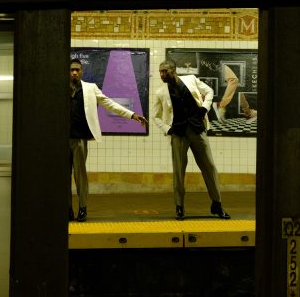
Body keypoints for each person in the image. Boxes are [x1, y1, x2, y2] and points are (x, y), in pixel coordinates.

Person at [70, 58, 148, 222]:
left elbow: (109, 103)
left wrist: (132, 115)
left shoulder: (90, 88)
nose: (75, 72)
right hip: (61, 139)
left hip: (80, 139)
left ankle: (82, 208)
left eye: (77, 69)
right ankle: (67, 209)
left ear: (82, 71)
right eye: (72, 70)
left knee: (80, 175)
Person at [152, 59, 230, 220]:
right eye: (160, 72)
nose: (162, 75)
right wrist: (167, 129)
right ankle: (179, 207)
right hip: (178, 134)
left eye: (165, 71)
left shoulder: (191, 80)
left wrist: (204, 108)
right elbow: (155, 116)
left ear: (174, 70)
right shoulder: (160, 92)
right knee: (179, 171)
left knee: (209, 166)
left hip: (197, 130)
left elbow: (209, 91)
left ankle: (217, 204)